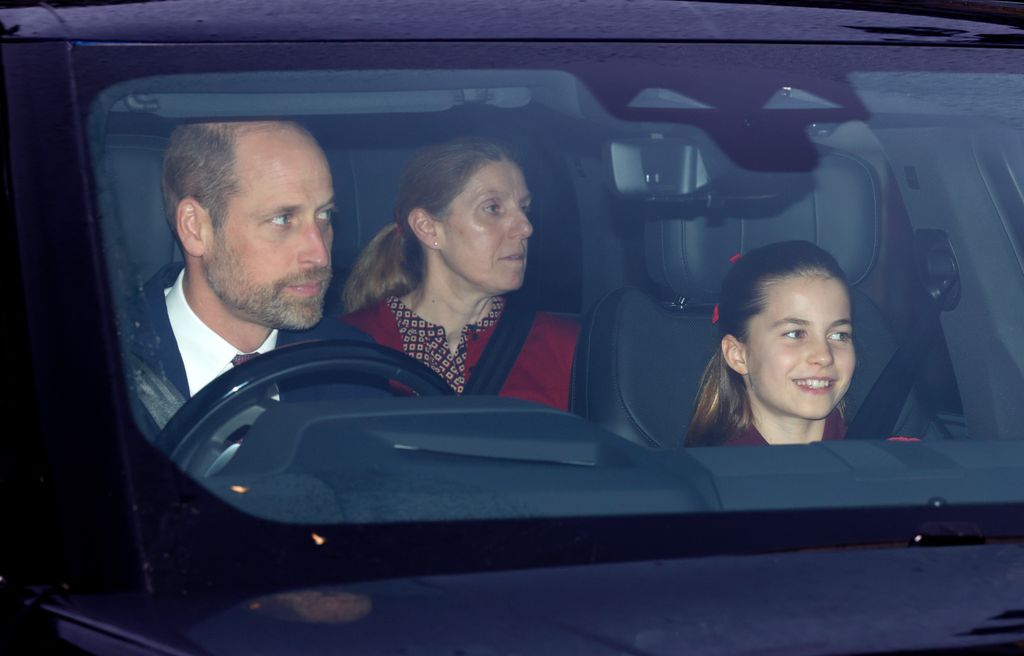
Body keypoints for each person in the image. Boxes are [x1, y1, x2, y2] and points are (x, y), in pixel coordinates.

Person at [133, 120, 375, 423]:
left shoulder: (351, 363)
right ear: (195, 228)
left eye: (324, 215)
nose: (320, 256)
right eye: (283, 219)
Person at [340, 137, 579, 410]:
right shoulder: (348, 346)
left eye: (524, 208)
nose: (526, 227)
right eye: (493, 208)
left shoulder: (567, 348)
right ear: (428, 228)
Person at [685, 241, 855, 446]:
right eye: (795, 334)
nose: (824, 356)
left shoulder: (877, 454)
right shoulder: (709, 464)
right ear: (738, 355)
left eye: (839, 335)